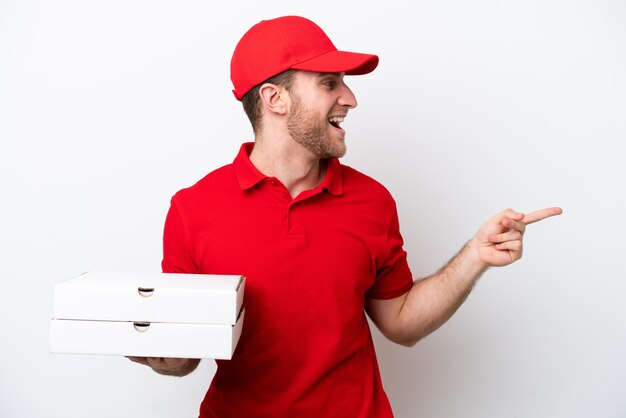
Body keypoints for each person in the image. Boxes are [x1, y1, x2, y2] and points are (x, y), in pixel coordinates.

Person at [129, 15, 562, 417]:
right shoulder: (193, 209)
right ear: (274, 98)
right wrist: (165, 357)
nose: (350, 98)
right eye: (329, 83)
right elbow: (185, 352)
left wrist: (474, 257)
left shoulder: (372, 201)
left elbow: (402, 323)